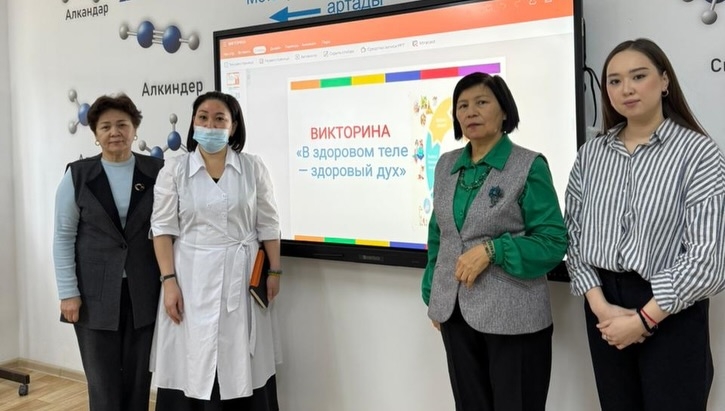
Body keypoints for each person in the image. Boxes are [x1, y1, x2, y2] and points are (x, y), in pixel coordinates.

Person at [565, 38, 725, 411]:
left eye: (639, 76)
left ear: (664, 81)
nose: (627, 89)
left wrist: (644, 319)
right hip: (603, 303)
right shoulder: (591, 154)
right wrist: (601, 308)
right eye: (615, 81)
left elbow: (708, 260)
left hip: (671, 309)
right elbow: (573, 235)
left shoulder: (698, 152)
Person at [422, 72, 567, 411]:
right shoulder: (446, 165)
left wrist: (493, 250)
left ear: (504, 111)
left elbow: (552, 241)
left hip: (514, 317)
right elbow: (439, 235)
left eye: (481, 102)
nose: (470, 112)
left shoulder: (529, 165)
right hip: (455, 315)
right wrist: (435, 295)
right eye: (462, 106)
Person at [150, 91, 282, 410]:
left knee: (242, 363)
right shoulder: (175, 170)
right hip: (190, 279)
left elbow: (269, 223)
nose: (210, 125)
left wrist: (275, 271)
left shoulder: (252, 167)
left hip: (243, 275)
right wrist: (169, 281)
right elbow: (162, 229)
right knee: (193, 361)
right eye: (203, 117)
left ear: (233, 126)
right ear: (193, 123)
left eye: (220, 118)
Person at [52, 94, 164, 410]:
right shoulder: (78, 175)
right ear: (95, 134)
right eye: (106, 126)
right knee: (103, 384)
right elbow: (63, 237)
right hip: (93, 295)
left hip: (145, 292)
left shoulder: (157, 171)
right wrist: (68, 293)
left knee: (139, 382)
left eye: (122, 125)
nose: (115, 132)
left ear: (135, 129)